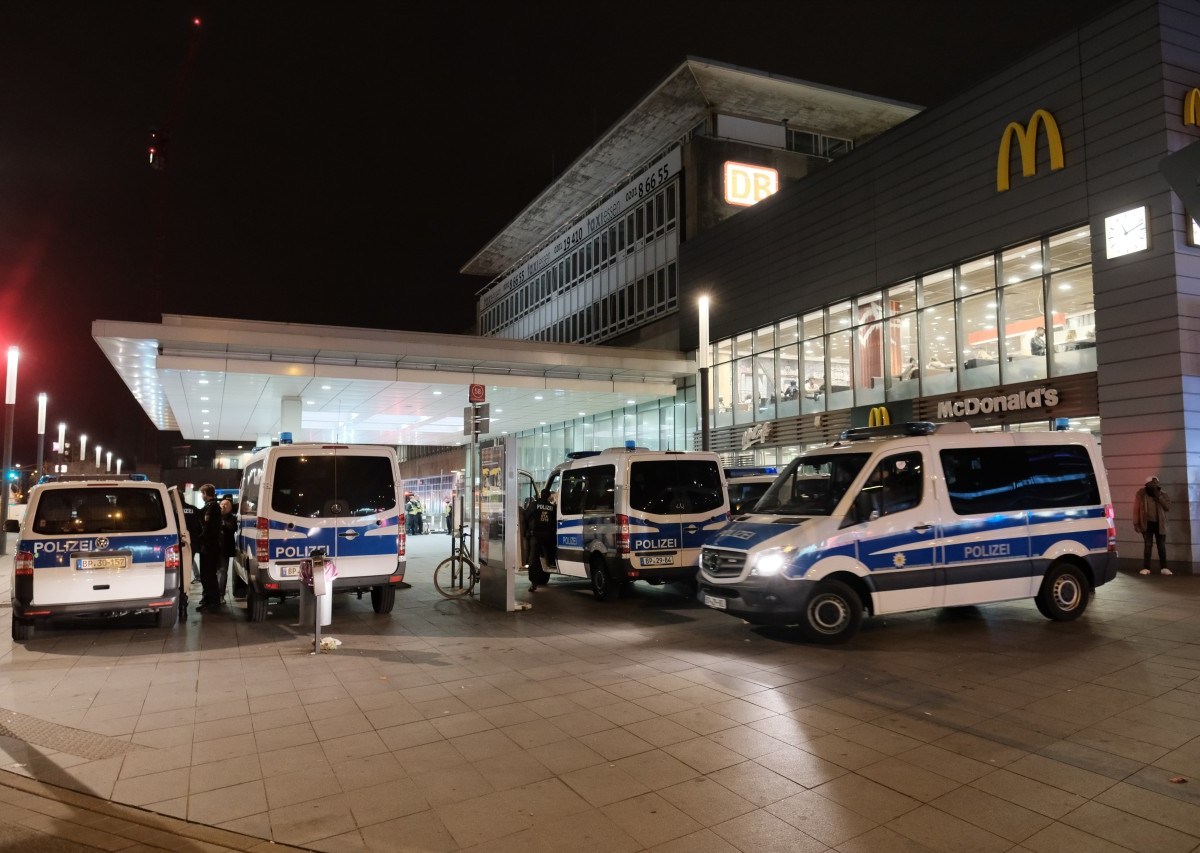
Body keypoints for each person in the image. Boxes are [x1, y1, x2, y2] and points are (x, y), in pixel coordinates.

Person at [1133, 475, 1172, 575]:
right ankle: (1146, 568)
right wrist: (1136, 523)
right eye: (1153, 483)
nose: (1155, 485)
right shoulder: (1141, 494)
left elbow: (1167, 507)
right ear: (1147, 484)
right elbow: (1136, 509)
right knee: (1148, 545)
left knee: (1161, 546)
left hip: (1160, 524)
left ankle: (1164, 568)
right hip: (1147, 524)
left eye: (1156, 483)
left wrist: (1158, 496)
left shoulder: (1162, 493)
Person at [196, 484, 224, 610]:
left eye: (202, 493)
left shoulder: (213, 507)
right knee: (205, 575)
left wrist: (201, 538)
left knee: (209, 575)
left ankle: (214, 601)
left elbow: (208, 528)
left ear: (206, 494)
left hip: (210, 546)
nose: (201, 496)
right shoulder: (210, 506)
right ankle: (208, 599)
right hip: (208, 546)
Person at [524, 488, 556, 591]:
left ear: (540, 495)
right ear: (549, 496)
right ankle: (550, 567)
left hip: (536, 536)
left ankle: (534, 583)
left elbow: (526, 516)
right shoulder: (552, 507)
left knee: (533, 559)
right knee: (549, 556)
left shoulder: (534, 504)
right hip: (548, 537)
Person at [219, 497, 237, 601]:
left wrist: (222, 522)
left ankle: (221, 594)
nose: (223, 506)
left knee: (222, 571)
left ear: (230, 508)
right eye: (222, 504)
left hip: (224, 548)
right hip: (214, 548)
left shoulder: (232, 518)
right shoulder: (215, 516)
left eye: (226, 505)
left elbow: (232, 528)